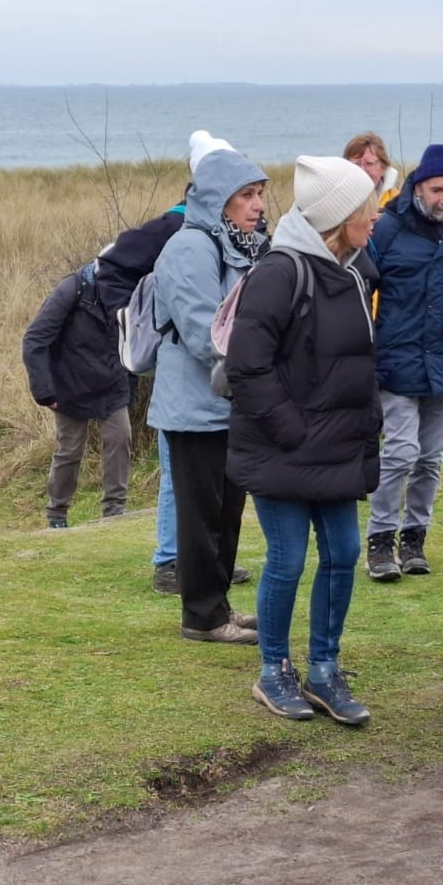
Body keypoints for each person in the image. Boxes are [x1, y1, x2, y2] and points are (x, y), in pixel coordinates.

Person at [227, 156, 381, 725]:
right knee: (287, 559)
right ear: (341, 217)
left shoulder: (355, 269)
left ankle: (324, 669)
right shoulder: (279, 272)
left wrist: (365, 425)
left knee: (343, 553)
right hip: (282, 447)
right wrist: (291, 429)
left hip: (336, 446)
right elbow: (248, 368)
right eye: (368, 208)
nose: (375, 218)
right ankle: (274, 672)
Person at [95, 130, 252, 592]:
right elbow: (113, 268)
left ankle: (201, 569)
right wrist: (132, 315)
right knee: (179, 478)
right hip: (185, 380)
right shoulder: (179, 233)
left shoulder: (229, 236)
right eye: (245, 192)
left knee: (205, 488)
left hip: (212, 385)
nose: (256, 202)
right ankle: (170, 562)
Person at [148, 146, 269, 644]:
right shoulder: (189, 248)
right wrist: (259, 363)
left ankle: (219, 606)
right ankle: (201, 616)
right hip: (193, 407)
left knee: (225, 512)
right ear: (220, 200)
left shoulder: (237, 243)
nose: (258, 205)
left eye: (261, 193)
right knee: (200, 518)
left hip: (225, 404)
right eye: (247, 195)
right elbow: (205, 333)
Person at [364, 143, 443, 581]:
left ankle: (414, 537)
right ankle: (380, 541)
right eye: (438, 188)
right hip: (396, 359)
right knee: (399, 452)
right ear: (419, 187)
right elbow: (361, 279)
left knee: (430, 459)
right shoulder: (388, 228)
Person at [21, 251, 132, 529]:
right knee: (69, 450)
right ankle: (57, 515)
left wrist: (132, 376)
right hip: (70, 384)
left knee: (120, 439)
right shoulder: (70, 290)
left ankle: (115, 511)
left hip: (112, 382)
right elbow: (34, 340)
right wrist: (45, 392)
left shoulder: (128, 289)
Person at [343, 131, 400, 207]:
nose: (362, 170)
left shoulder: (397, 203)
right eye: (356, 164)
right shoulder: (336, 200)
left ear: (383, 167)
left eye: (369, 163)